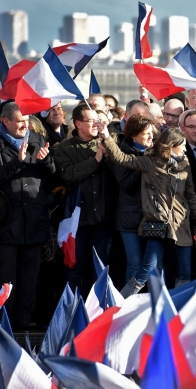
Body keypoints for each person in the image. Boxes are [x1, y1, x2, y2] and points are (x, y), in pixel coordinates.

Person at [99, 126, 196, 296]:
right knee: (146, 271)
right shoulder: (150, 161)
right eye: (183, 145)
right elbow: (122, 158)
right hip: (158, 223)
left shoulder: (184, 164)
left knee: (185, 272)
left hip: (181, 225)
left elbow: (191, 195)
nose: (186, 149)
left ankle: (177, 313)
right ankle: (121, 306)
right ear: (171, 146)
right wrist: (106, 137)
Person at [0, 102, 55, 329]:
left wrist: (47, 161)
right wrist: (17, 163)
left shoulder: (36, 140)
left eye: (26, 121)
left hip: (33, 220)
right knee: (6, 276)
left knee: (30, 274)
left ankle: (25, 319)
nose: (25, 125)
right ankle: (5, 318)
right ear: (6, 122)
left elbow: (53, 177)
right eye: (20, 121)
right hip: (6, 222)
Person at [54, 104, 118, 296]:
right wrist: (95, 160)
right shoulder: (65, 148)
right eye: (91, 121)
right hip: (77, 222)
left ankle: (97, 313)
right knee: (74, 270)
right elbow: (68, 175)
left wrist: (107, 151)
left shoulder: (106, 142)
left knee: (99, 270)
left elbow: (120, 172)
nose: (95, 124)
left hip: (103, 220)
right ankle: (71, 314)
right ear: (78, 123)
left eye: (98, 121)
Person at [112, 115, 154, 283]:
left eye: (152, 132)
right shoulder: (122, 153)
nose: (151, 137)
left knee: (153, 266)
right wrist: (143, 164)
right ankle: (130, 306)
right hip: (129, 218)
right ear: (134, 136)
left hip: (152, 217)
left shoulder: (155, 152)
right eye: (146, 133)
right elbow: (126, 185)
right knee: (135, 264)